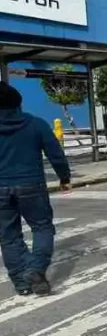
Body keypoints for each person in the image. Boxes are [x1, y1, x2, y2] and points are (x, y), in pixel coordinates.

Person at [0, 82, 71, 296]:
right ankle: (36, 269)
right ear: (19, 103)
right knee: (42, 227)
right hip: (32, 185)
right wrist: (64, 177)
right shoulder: (36, 124)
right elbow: (55, 154)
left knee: (9, 236)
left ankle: (21, 284)